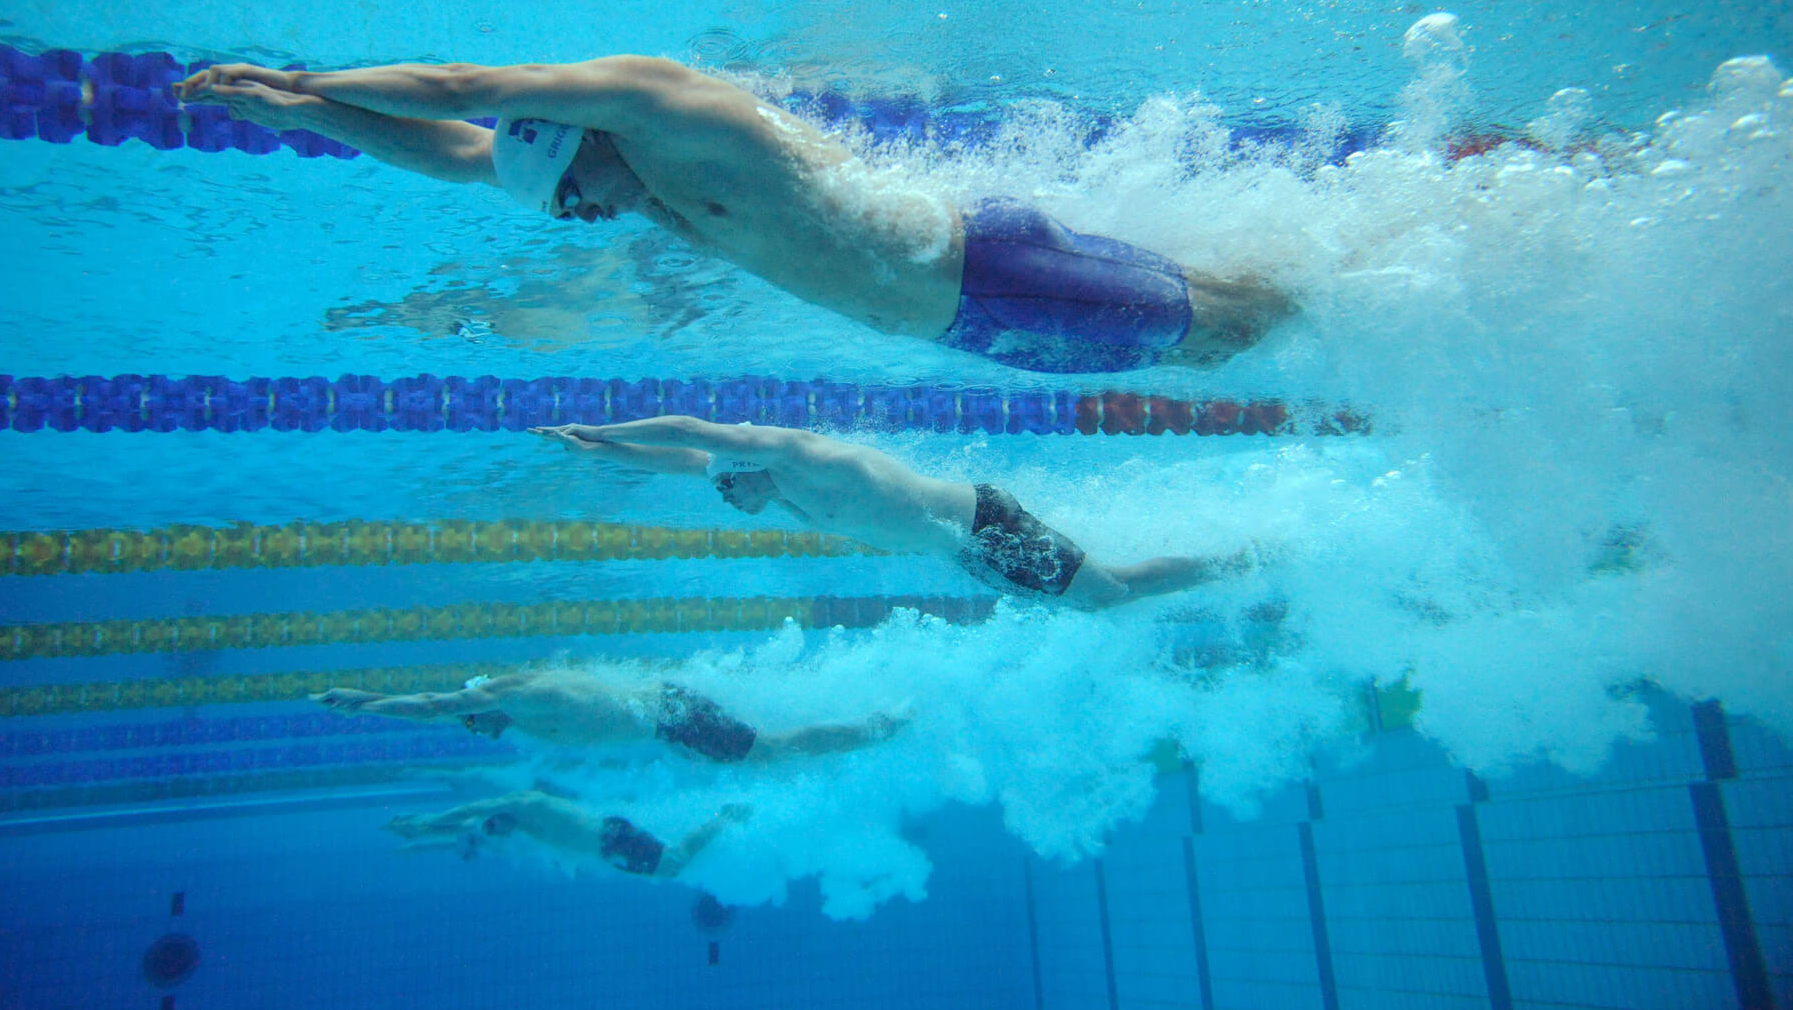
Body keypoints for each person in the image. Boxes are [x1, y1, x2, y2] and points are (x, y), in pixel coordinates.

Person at [173, 55, 1293, 372]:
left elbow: (470, 96)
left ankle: (1387, 272)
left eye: (571, 196)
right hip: (959, 325)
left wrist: (315, 76)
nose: (579, 220)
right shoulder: (629, 180)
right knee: (1208, 357)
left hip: (987, 269)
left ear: (584, 145)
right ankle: (1338, 291)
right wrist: (305, 118)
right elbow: (465, 154)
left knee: (1234, 322)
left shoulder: (677, 114)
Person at [530, 416, 1248, 610]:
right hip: (963, 548)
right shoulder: (768, 484)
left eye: (728, 487)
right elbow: (682, 460)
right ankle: (1234, 561)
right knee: (1098, 598)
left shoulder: (800, 457)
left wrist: (602, 428)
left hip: (983, 528)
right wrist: (592, 455)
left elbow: (688, 431)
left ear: (752, 468)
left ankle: (1244, 559)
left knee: (1111, 593)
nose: (724, 497)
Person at [311, 665, 904, 761]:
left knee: (773, 750)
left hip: (669, 715)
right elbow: (440, 711)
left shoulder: (510, 692)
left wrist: (360, 704)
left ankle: (881, 726)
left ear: (479, 703)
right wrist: (361, 701)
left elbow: (435, 705)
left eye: (471, 722)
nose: (479, 731)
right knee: (771, 750)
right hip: (667, 720)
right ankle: (876, 725)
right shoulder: (513, 710)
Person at [388, 788, 749, 879]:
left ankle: (726, 816)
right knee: (669, 869)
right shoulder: (525, 825)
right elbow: (471, 826)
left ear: (500, 815)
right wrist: (423, 840)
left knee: (672, 865)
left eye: (493, 826)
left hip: (610, 839)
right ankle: (722, 818)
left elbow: (470, 812)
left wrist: (428, 821)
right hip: (607, 848)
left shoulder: (526, 803)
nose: (494, 833)